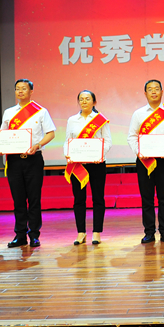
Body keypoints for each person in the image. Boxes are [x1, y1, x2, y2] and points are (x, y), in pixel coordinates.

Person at [0, 79, 56, 248]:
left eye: (24, 88)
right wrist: (0, 147)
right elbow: (3, 134)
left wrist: (38, 145)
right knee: (18, 199)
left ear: (31, 91)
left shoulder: (41, 111)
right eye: (17, 89)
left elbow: (50, 133)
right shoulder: (9, 112)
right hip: (14, 160)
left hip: (33, 159)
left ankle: (34, 235)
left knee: (34, 198)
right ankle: (20, 235)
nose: (20, 91)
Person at [127, 79, 164, 244]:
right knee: (147, 198)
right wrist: (139, 152)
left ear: (162, 92)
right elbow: (132, 136)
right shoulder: (138, 114)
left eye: (156, 88)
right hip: (145, 162)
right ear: (145, 93)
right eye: (150, 89)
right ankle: (149, 232)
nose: (153, 92)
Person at [65, 90, 111, 245]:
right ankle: (81, 232)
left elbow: (108, 141)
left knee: (98, 198)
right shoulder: (72, 120)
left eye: (87, 99)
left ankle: (97, 232)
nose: (84, 101)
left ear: (94, 102)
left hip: (97, 164)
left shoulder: (101, 120)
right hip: (78, 165)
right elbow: (67, 140)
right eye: (81, 99)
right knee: (79, 199)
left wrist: (99, 155)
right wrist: (67, 153)